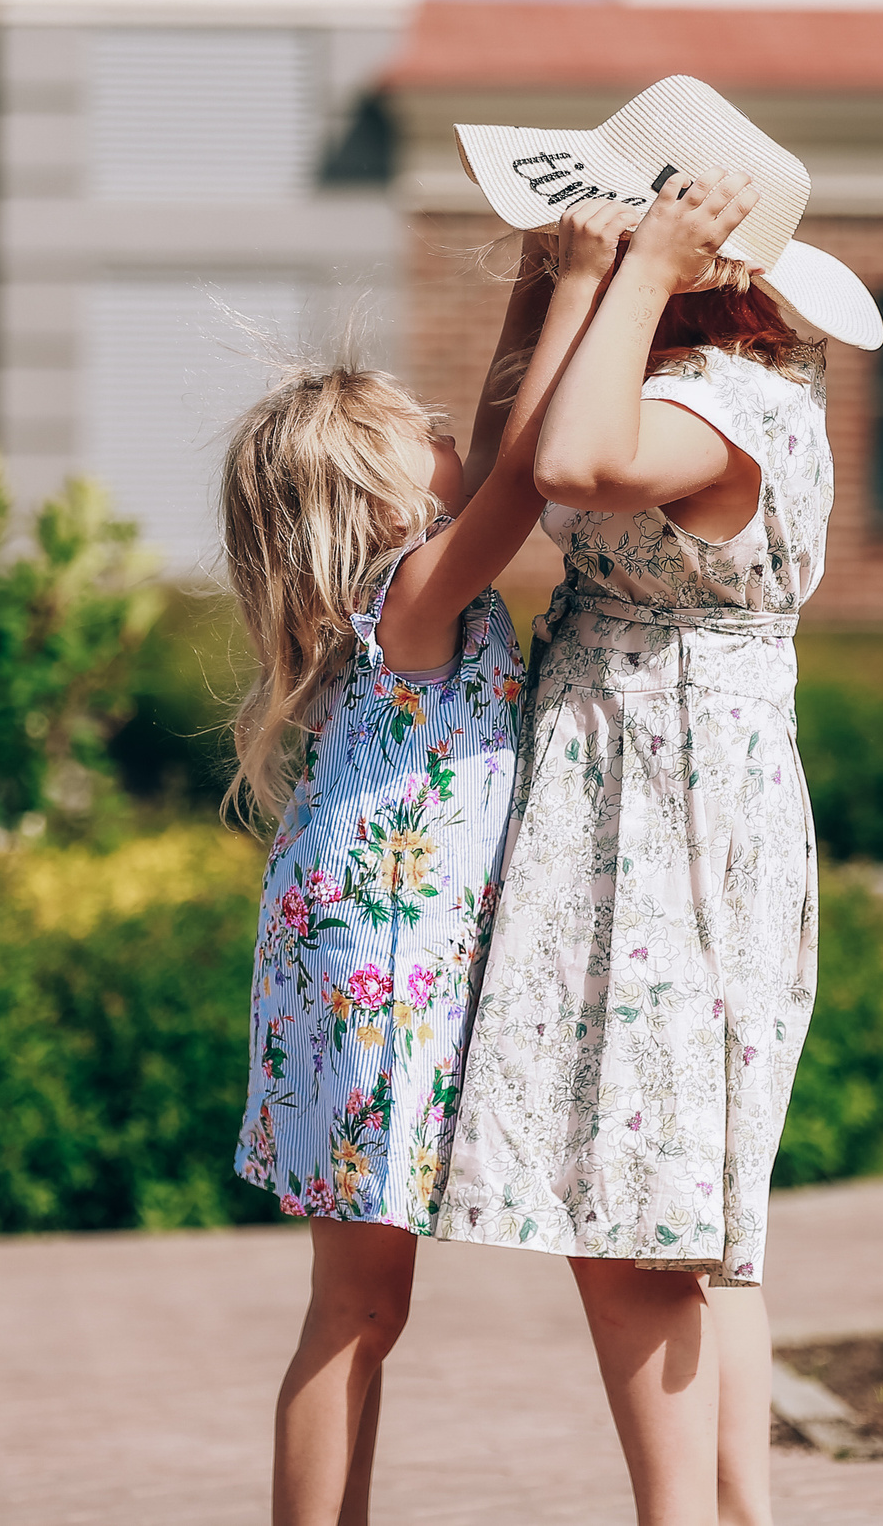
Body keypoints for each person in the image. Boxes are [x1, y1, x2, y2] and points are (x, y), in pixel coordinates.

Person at [435, 98, 880, 1525]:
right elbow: (521, 440)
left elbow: (573, 469)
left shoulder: (730, 411)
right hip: (624, 774)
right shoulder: (656, 363)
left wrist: (622, 275)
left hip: (676, 797)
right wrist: (553, 277)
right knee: (678, 1218)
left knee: (642, 1215)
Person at [226, 206, 630, 1526]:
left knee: (362, 1308)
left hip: (366, 951)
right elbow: (519, 472)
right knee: (355, 1310)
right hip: (375, 964)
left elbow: (500, 437)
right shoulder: (412, 591)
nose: (453, 432)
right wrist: (575, 287)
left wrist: (538, 282)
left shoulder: (409, 586)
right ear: (384, 499)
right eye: (425, 436)